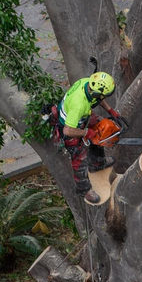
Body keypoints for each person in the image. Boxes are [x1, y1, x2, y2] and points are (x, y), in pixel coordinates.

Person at [53, 72, 120, 202]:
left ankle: (97, 162)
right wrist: (86, 133)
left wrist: (111, 111)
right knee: (80, 157)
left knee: (102, 128)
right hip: (70, 126)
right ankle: (84, 189)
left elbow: (99, 99)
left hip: (82, 117)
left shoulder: (88, 83)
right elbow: (68, 130)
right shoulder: (79, 104)